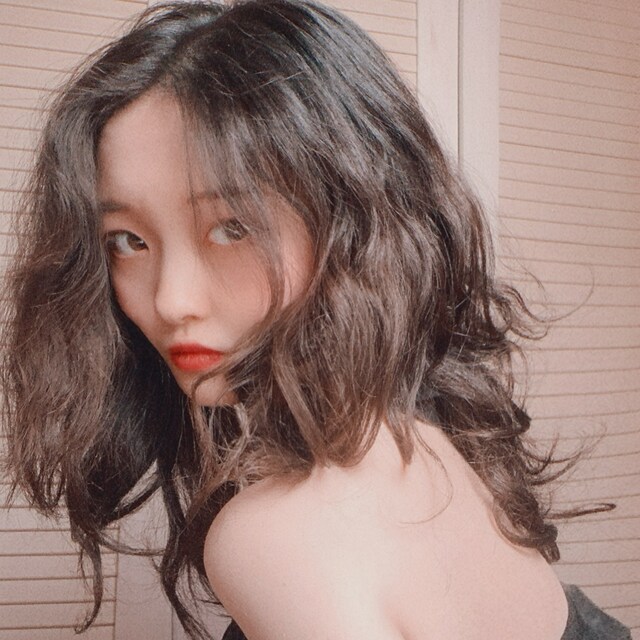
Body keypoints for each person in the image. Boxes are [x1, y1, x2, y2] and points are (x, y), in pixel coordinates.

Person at [1, 1, 631, 639]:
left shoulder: (276, 533)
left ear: (357, 224)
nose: (170, 300)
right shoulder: (431, 444)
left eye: (232, 228)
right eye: (128, 241)